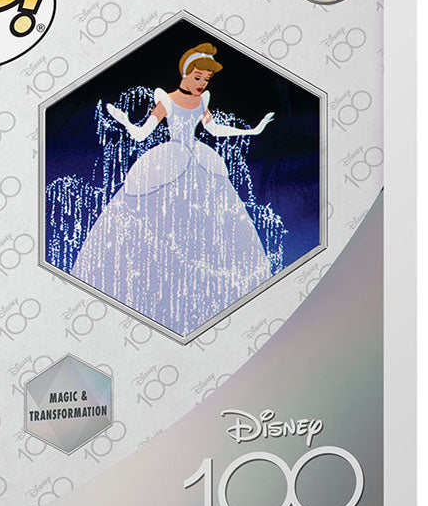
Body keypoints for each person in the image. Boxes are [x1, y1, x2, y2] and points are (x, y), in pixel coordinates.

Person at [71, 43, 275, 338]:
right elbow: (141, 133)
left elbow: (214, 129)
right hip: (169, 161)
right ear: (185, 73)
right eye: (197, 77)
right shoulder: (166, 100)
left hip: (199, 161)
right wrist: (125, 121)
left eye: (206, 79)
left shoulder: (202, 100)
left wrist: (253, 131)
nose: (202, 84)